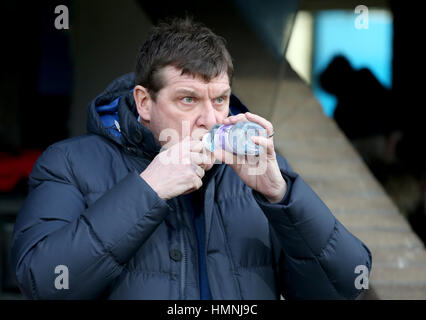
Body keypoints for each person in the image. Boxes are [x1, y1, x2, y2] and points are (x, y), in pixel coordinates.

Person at [11, 18, 372, 300]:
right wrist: (148, 189)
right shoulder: (70, 162)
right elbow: (43, 282)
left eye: (219, 99)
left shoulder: (252, 171)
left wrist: (283, 197)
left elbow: (346, 284)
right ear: (144, 103)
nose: (211, 119)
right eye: (188, 99)